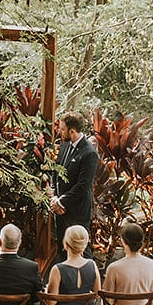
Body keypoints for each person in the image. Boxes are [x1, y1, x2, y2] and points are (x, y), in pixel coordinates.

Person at [49, 112, 100, 264]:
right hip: (60, 211)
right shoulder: (64, 145)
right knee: (63, 249)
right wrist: (53, 195)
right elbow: (55, 171)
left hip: (77, 211)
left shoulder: (89, 153)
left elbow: (83, 185)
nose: (60, 132)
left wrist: (61, 202)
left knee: (82, 250)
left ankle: (89, 283)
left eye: (63, 129)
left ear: (72, 131)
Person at [102, 221, 153, 305]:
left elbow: (109, 301)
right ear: (142, 242)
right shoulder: (151, 264)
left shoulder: (114, 268)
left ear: (123, 241)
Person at [45, 224, 100, 305]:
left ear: (65, 244)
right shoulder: (92, 265)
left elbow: (50, 303)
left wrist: (47, 289)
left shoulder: (57, 269)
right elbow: (97, 294)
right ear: (84, 245)